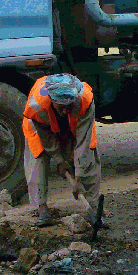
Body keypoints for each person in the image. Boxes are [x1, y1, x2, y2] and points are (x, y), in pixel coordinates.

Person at [22, 73, 101, 227]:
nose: (65, 111)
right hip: (41, 127)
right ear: (51, 100)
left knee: (89, 155)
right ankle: (42, 209)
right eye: (61, 107)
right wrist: (59, 160)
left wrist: (78, 176)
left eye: (69, 106)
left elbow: (83, 142)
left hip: (73, 126)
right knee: (37, 158)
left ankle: (93, 209)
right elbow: (47, 138)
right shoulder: (37, 105)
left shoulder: (85, 100)